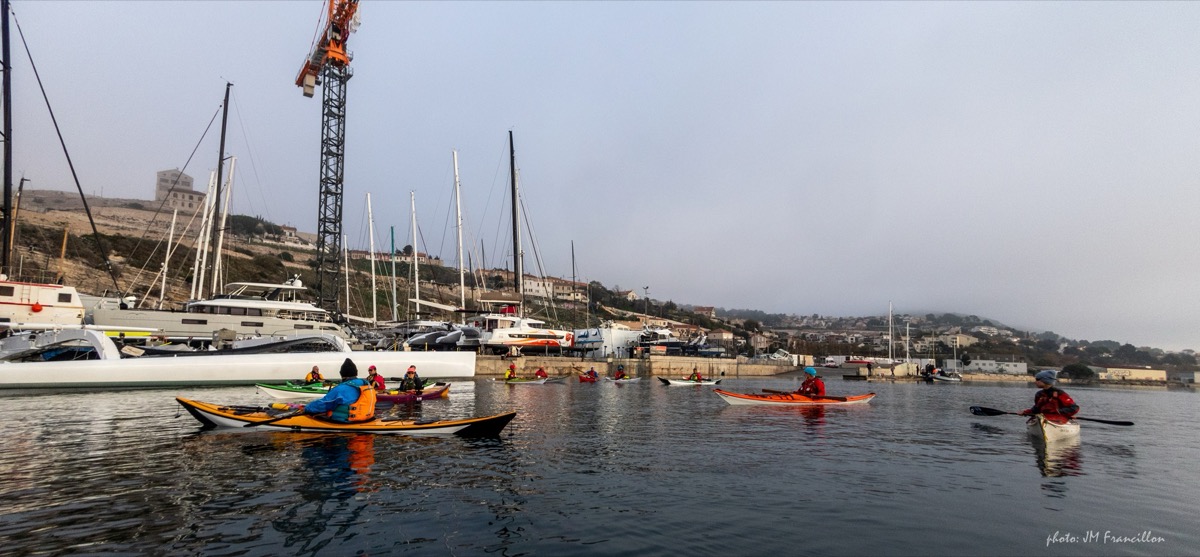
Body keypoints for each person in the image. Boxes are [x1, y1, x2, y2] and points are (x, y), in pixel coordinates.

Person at [304, 358, 377, 423]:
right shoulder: (366, 384)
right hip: (367, 419)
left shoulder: (341, 389)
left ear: (342, 374)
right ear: (356, 372)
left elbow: (323, 404)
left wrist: (306, 408)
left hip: (345, 422)